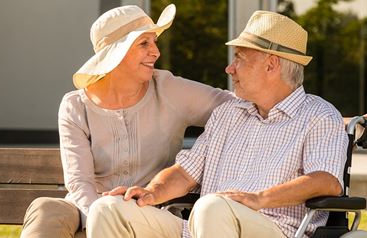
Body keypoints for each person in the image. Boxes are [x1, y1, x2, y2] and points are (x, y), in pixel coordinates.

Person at [20, 4, 367, 238]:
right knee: (109, 209)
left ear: (272, 65)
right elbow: (185, 170)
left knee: (212, 204)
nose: (229, 68)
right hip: (202, 225)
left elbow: (326, 179)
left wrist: (257, 199)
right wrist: (152, 192)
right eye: (144, 44)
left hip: (274, 229)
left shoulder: (316, 115)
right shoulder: (230, 113)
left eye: (239, 59)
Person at [20, 4, 235, 238]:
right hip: (86, 208)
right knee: (46, 208)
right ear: (116, 52)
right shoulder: (75, 106)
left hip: (147, 210)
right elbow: (80, 183)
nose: (156, 52)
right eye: (144, 43)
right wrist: (100, 220)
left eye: (154, 42)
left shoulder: (169, 89)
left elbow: (234, 106)